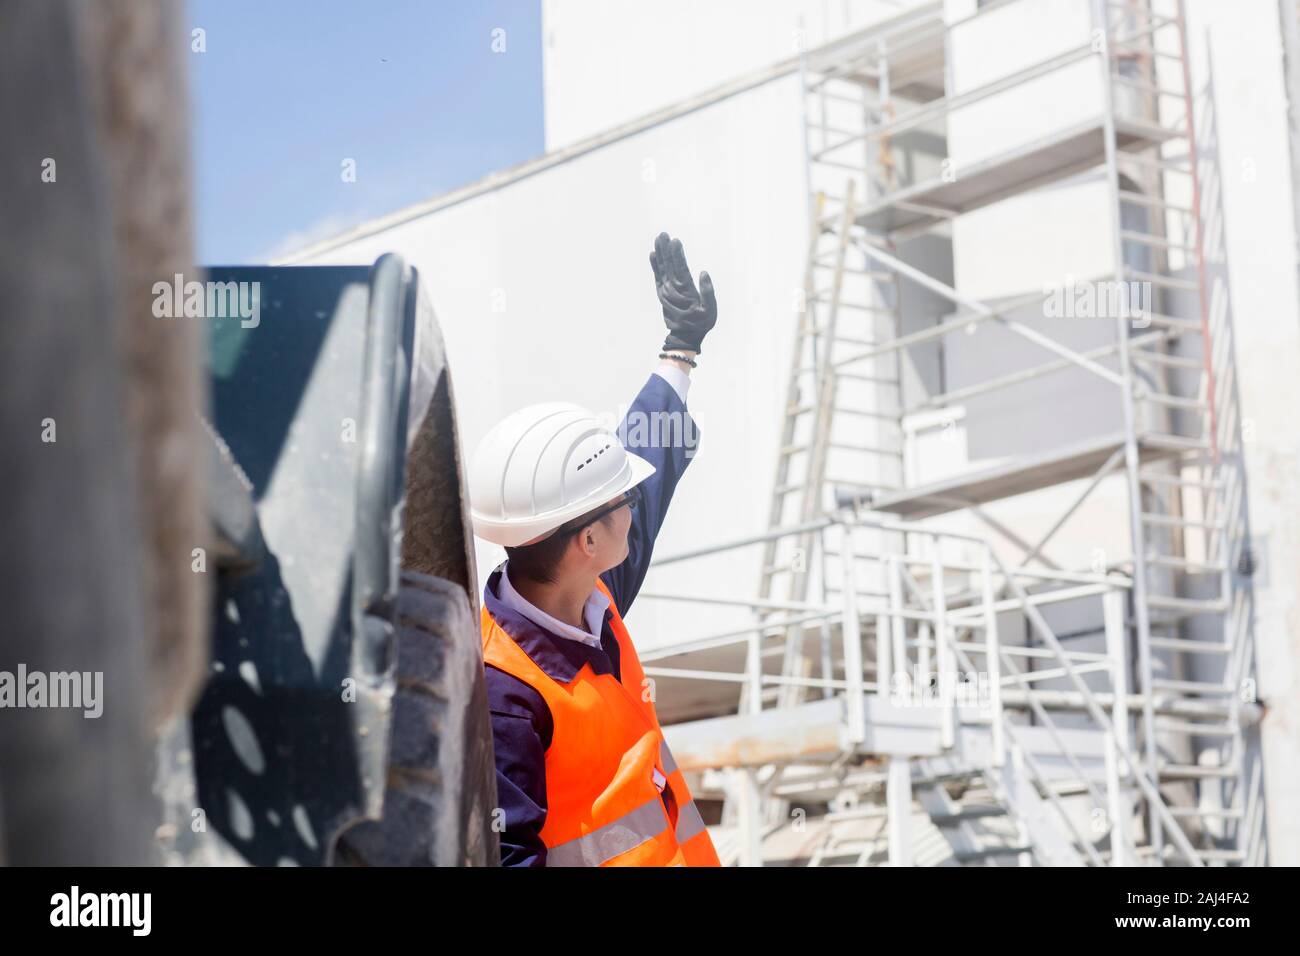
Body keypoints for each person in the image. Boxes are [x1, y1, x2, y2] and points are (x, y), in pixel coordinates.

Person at [468, 233, 722, 867]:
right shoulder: (505, 693)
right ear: (587, 541)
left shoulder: (589, 593)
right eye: (623, 503)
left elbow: (651, 462)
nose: (638, 507)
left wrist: (680, 349)